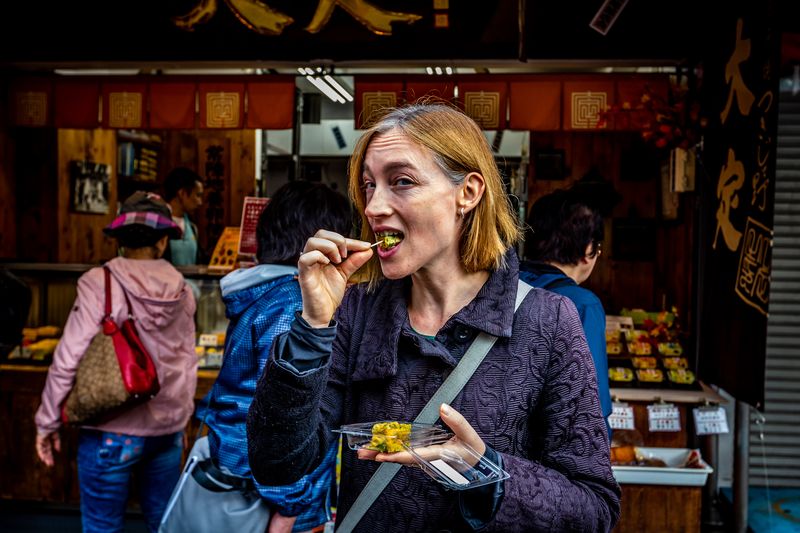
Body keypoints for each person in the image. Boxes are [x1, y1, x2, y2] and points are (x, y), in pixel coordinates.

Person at [247, 103, 620, 532]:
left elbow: (595, 510)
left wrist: (482, 471)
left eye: (401, 182)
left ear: (469, 192)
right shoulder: (357, 310)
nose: (373, 207)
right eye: (369, 186)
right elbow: (278, 463)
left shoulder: (549, 320)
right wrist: (312, 326)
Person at [35, 191, 197, 533]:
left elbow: (68, 358)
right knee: (163, 526)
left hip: (110, 432)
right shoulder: (182, 288)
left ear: (120, 240)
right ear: (163, 241)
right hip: (166, 431)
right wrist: (182, 421)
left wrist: (47, 422)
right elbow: (186, 362)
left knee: (102, 528)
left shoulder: (100, 282)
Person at [198, 181, 351, 533]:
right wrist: (289, 505)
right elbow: (281, 410)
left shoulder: (262, 292)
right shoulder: (293, 303)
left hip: (242, 468)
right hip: (274, 495)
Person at [519, 189, 613, 439]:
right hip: (547, 455)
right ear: (588, 249)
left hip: (488, 446)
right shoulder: (582, 304)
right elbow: (592, 405)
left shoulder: (496, 287)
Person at [163, 167, 204, 265]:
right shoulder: (159, 224)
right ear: (182, 193)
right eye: (198, 195)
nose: (200, 202)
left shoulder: (192, 227)